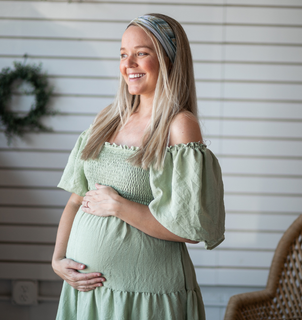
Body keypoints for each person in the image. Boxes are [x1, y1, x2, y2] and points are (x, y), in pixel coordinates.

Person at [52, 13, 225, 320]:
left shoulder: (179, 126)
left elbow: (189, 229)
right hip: (89, 295)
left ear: (169, 60)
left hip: (147, 296)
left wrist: (119, 206)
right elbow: (77, 199)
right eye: (123, 54)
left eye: (141, 53)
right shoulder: (109, 118)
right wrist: (57, 260)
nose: (128, 65)